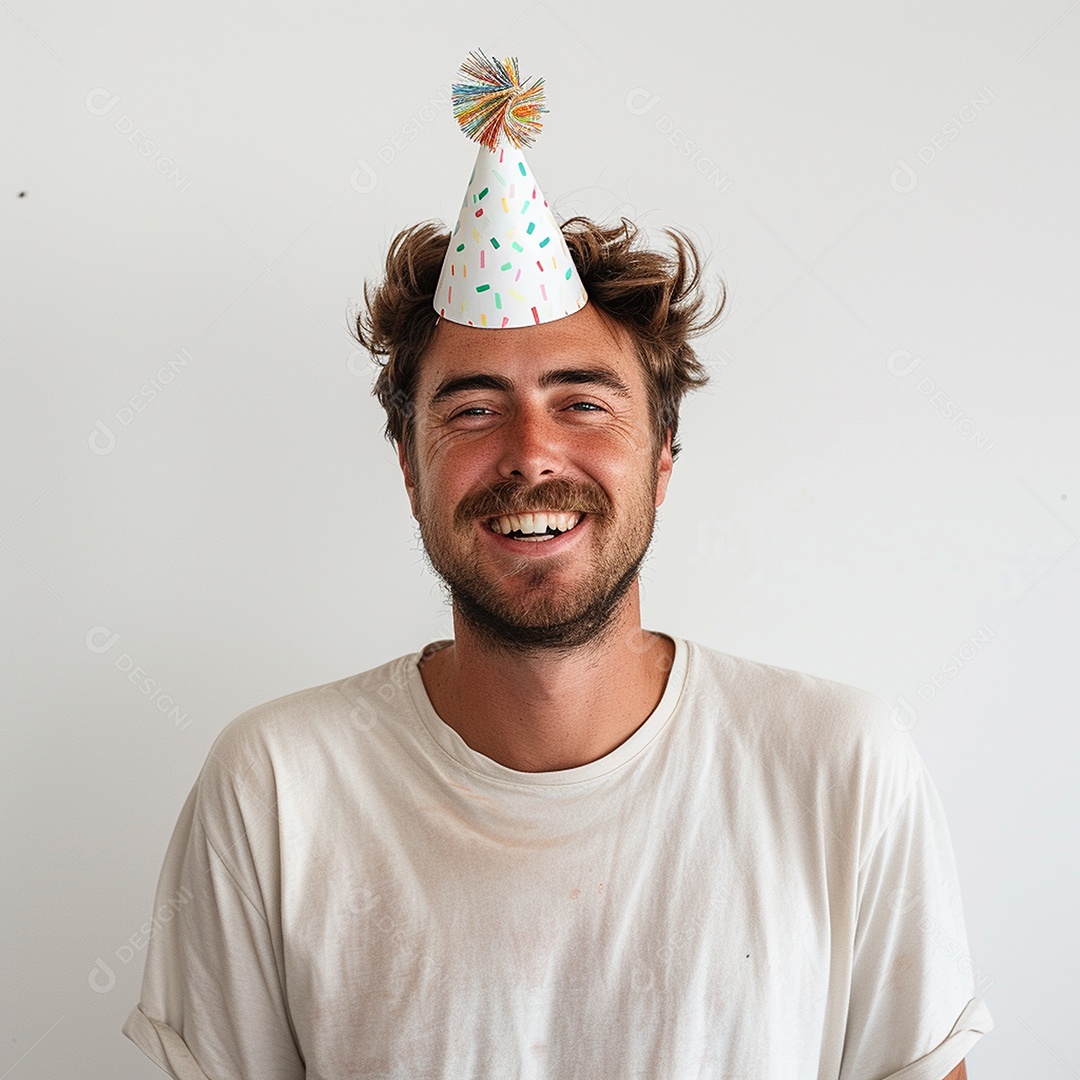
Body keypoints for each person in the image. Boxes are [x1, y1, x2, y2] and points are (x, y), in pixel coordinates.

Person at [122, 53, 991, 1080]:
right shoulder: (273, 789)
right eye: (474, 408)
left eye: (583, 401)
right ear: (410, 469)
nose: (532, 452)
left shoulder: (839, 767)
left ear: (662, 459)